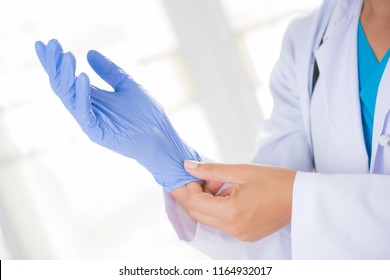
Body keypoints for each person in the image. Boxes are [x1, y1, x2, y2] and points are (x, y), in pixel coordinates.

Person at [35, 0, 390, 260]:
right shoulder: (306, 40)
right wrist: (177, 166)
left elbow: (293, 202)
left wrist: (297, 200)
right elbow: (280, 234)